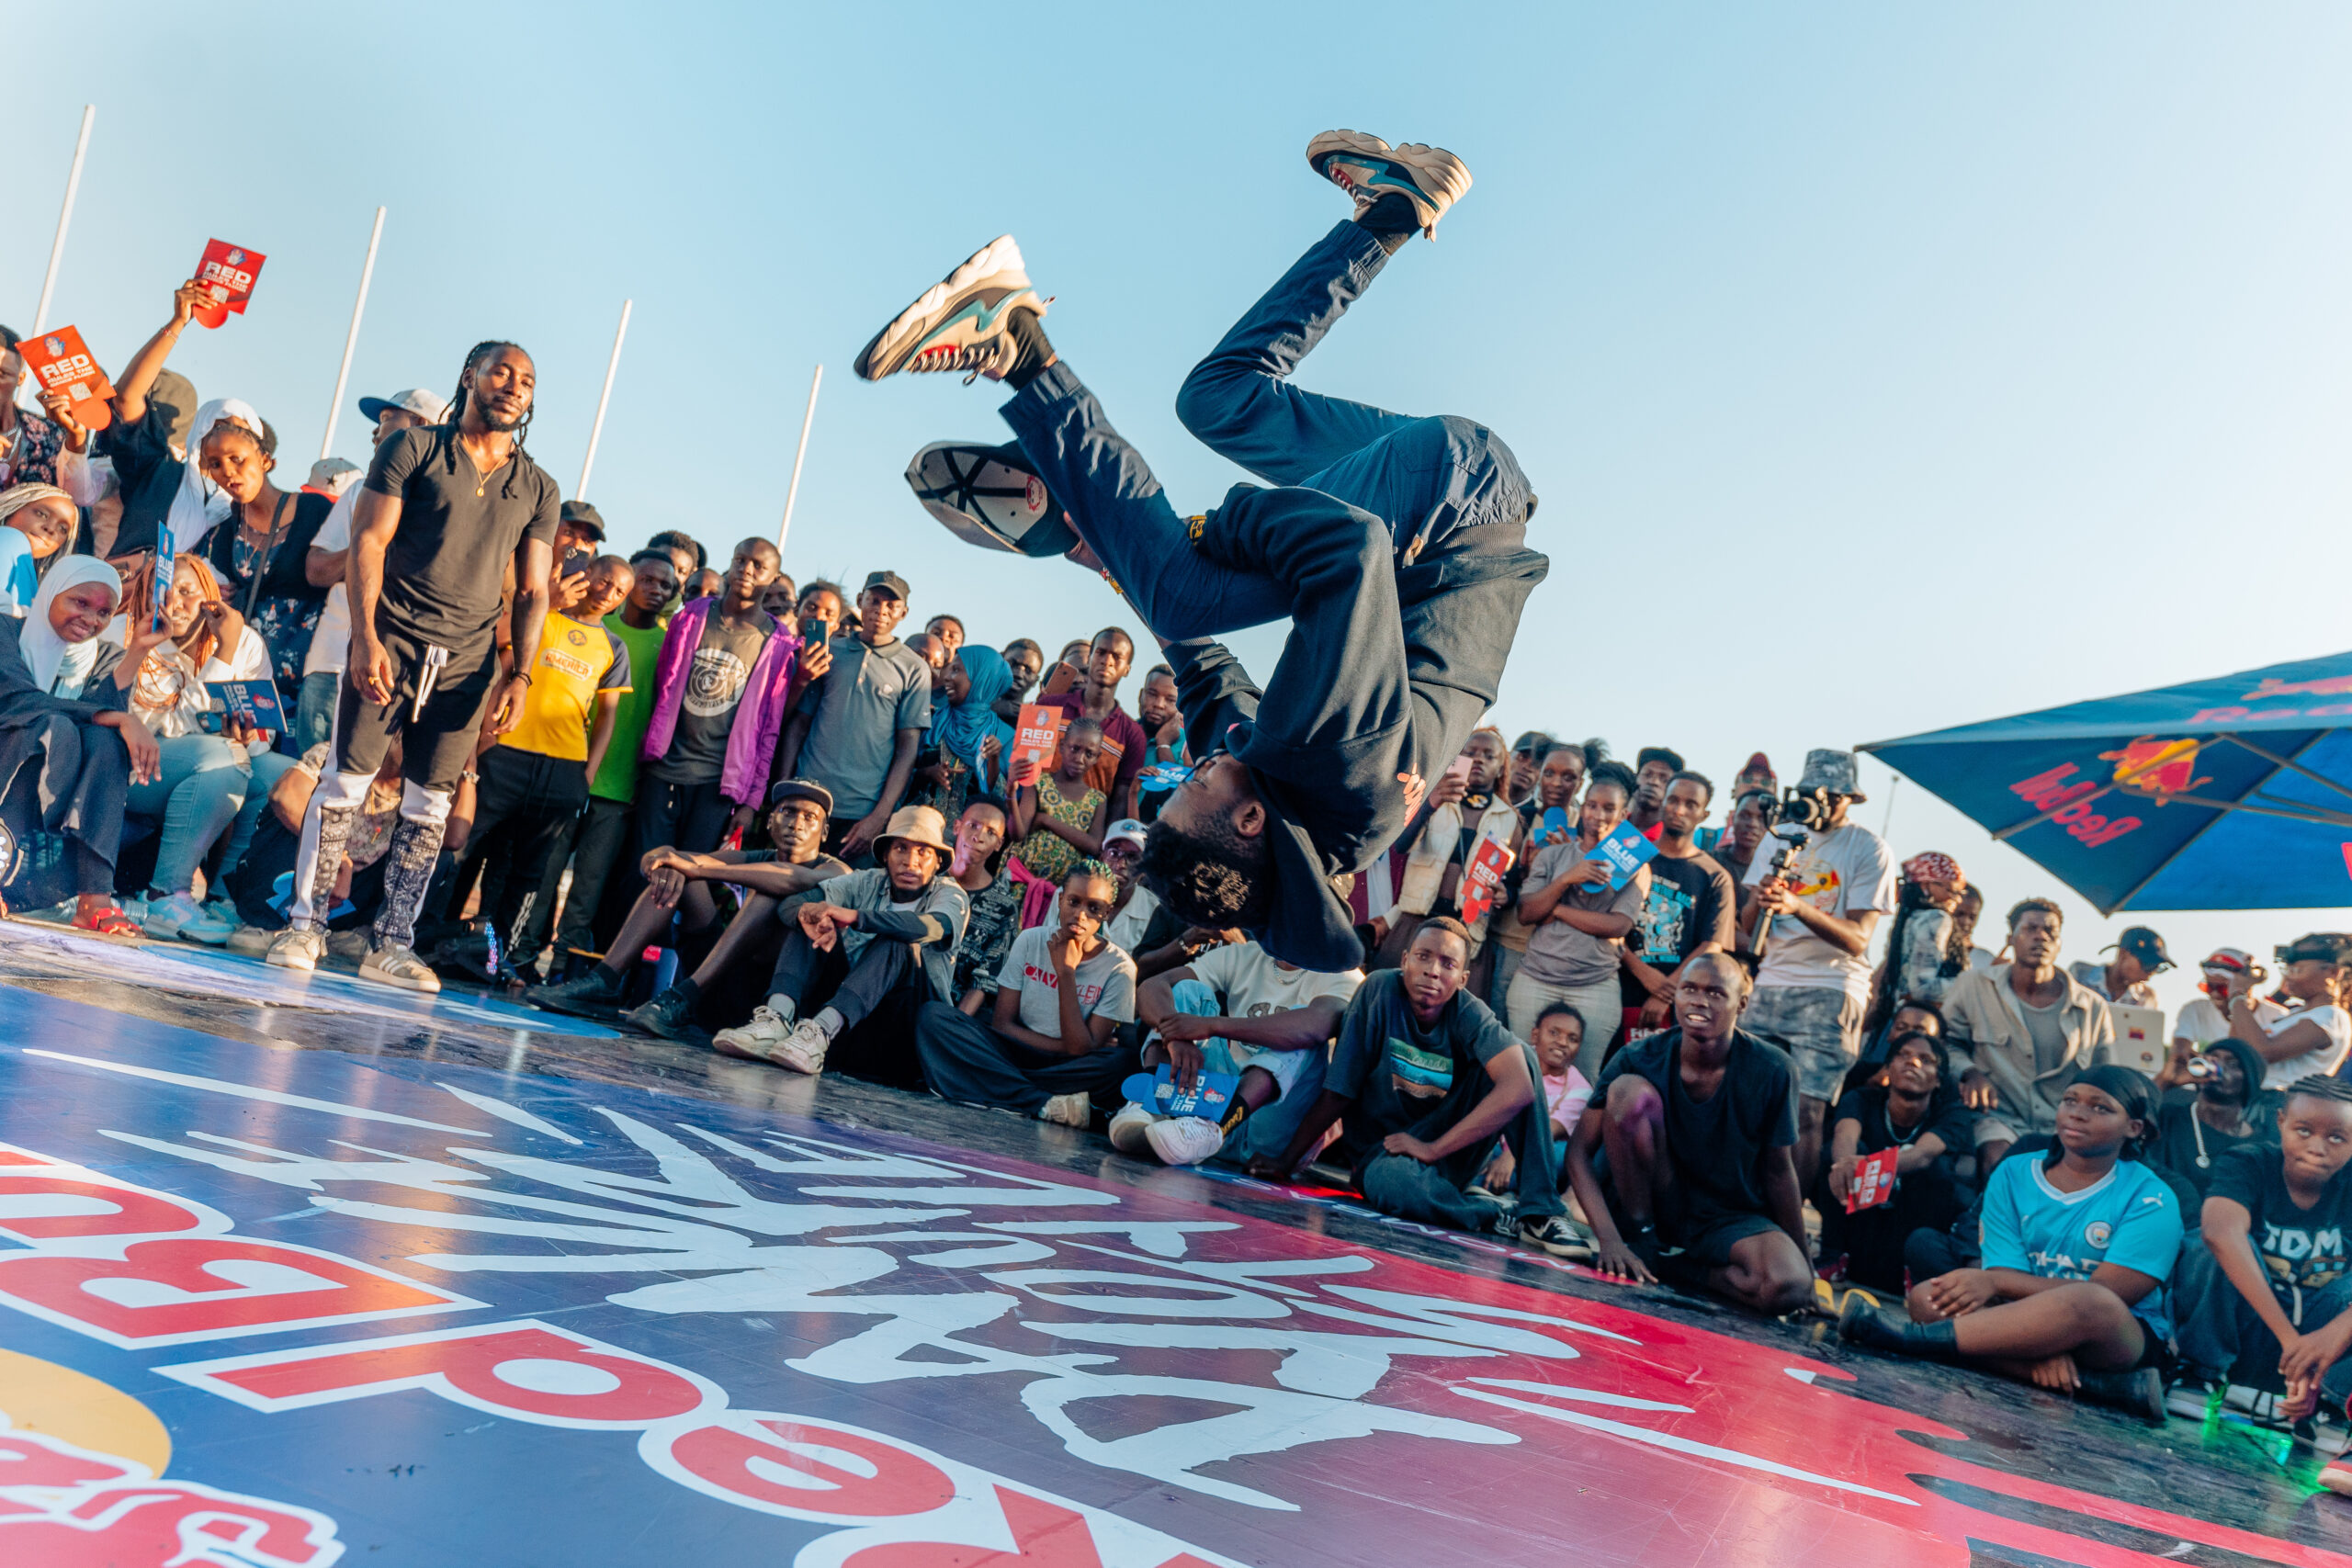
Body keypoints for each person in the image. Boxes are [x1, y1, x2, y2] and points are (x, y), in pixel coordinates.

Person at [855, 130, 1545, 975]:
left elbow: (1204, 668)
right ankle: (1015, 341)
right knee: (1183, 588)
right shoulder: (1340, 766)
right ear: (1250, 823)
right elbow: (1350, 545)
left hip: (1454, 488)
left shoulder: (1267, 790)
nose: (1201, 761)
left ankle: (1397, 208)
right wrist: (1192, 536)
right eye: (1197, 782)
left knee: (1217, 401)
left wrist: (1112, 560)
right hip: (1452, 503)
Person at [269, 341, 559, 992]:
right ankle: (304, 926)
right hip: (392, 640)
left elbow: (533, 590)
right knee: (344, 784)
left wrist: (520, 675)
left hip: (468, 664)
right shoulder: (414, 447)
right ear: (470, 376)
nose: (513, 386)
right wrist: (365, 636)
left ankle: (392, 944)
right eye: (501, 372)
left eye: (526, 380)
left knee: (430, 806)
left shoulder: (539, 487)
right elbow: (368, 542)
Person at [1838, 1066, 2184, 1424]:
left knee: (2090, 1300)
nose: (2078, 1113)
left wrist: (1994, 1282)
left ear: (2134, 1128)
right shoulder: (2014, 1173)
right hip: (2021, 1314)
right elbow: (2005, 1271)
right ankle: (2081, 1381)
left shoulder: (2152, 1197)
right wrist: (2036, 1340)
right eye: (2070, 1101)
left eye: (2100, 1108)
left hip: (2115, 1337)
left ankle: (1910, 1341)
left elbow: (2111, 1294)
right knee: (1928, 1297)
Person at [1252, 918, 1584, 1255]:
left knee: (1520, 1057)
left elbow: (1519, 1088)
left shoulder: (1468, 1011)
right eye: (1423, 957)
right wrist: (1286, 1160)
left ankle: (1541, 1211)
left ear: (1462, 979)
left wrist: (1433, 1150)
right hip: (1385, 1157)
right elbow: (1338, 1092)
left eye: (1448, 964)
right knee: (1395, 1185)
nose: (1432, 971)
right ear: (1405, 960)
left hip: (1445, 1152)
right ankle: (1493, 1213)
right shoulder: (1380, 991)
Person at [1566, 952, 1814, 1314]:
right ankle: (1643, 1241)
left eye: (1716, 993)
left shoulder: (1775, 1069)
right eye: (1690, 989)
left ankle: (1677, 1268)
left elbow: (1779, 1172)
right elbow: (1577, 1153)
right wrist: (1610, 1240)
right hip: (1654, 1202)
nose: (1700, 1000)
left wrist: (1807, 1270)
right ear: (1677, 996)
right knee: (1628, 1092)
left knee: (1788, 1285)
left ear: (1741, 1004)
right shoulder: (1638, 1056)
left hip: (1728, 1216)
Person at [421, 556, 634, 972]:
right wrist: (483, 738)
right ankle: (419, 938)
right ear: (586, 576)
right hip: (505, 756)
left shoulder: (614, 647)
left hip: (564, 770)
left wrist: (586, 775)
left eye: (619, 591)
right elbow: (496, 663)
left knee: (527, 873)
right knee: (457, 850)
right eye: (604, 581)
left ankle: (499, 960)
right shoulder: (539, 617)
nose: (608, 593)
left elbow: (606, 717)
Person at [533, 780, 846, 1032]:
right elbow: (664, 856)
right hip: (723, 993)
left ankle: (684, 996)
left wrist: (699, 868)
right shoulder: (757, 856)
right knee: (678, 876)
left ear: (825, 832)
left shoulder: (837, 871)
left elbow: (792, 879)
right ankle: (606, 979)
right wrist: (667, 864)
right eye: (788, 812)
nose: (796, 823)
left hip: (775, 1008)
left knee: (768, 894)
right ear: (770, 822)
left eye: (810, 817)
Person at [1736, 749, 1897, 1191]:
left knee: (1806, 1111)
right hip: (1772, 979)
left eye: (1830, 796)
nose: (1818, 804)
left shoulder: (1869, 847)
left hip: (1832, 986)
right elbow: (1748, 927)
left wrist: (1797, 906)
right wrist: (1763, 898)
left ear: (1848, 799)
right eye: (1811, 794)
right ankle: (1737, 1201)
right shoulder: (1780, 835)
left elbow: (1859, 937)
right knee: (1745, 1100)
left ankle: (1788, 1215)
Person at [711, 805, 969, 1080]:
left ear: (938, 862)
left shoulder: (950, 895)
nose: (910, 861)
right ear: (885, 855)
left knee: (899, 941)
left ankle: (821, 1032)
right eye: (900, 849)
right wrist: (809, 914)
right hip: (852, 1025)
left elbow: (931, 927)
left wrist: (855, 917)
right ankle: (777, 1019)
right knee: (814, 920)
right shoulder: (867, 881)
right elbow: (793, 904)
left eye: (923, 852)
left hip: (902, 1035)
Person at [105, 555, 272, 942]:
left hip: (206, 762)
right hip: (134, 771)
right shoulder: (129, 634)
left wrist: (247, 737)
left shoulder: (245, 640)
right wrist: (222, 656)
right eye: (160, 592)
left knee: (276, 776)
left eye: (186, 592)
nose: (173, 603)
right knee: (222, 759)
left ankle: (225, 897)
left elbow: (265, 737)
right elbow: (165, 728)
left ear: (211, 598)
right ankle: (166, 895)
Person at [2172, 1077, 2352, 1427]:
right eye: (2303, 1131)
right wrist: (2291, 1343)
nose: (2317, 1147)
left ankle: (2332, 1403)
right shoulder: (2249, 1162)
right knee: (2206, 1246)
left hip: (2323, 1343)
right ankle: (2200, 1373)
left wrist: (2336, 1333)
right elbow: (2219, 1232)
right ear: (2281, 1122)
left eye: (2337, 1138)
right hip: (2249, 1328)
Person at [914, 859, 1140, 1125]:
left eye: (1094, 908)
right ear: (1060, 899)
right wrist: (1066, 1048)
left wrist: (1066, 972)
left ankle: (995, 1085)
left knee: (1121, 1062)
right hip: (1014, 1051)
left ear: (1107, 913)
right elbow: (1002, 1024)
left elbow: (1080, 1050)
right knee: (933, 1017)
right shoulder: (1031, 940)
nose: (1081, 915)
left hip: (1067, 1068)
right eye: (1074, 902)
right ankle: (1045, 1103)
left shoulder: (1120, 967)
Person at [1114, 935, 1360, 1168]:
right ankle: (1148, 1105)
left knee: (1301, 1034)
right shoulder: (1245, 954)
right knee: (1186, 989)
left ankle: (1213, 1130)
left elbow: (1313, 1027)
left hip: (1276, 1133)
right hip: (1209, 1109)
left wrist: (1211, 1026)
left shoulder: (1343, 972)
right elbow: (1153, 985)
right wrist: (1175, 1037)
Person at [0, 558, 151, 931]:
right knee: (55, 727)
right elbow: (19, 701)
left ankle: (93, 898)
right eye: (80, 602)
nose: (91, 619)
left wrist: (137, 652)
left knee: (105, 739)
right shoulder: (5, 630)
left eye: (104, 612)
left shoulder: (106, 657)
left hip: (59, 773)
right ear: (52, 590)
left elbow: (106, 722)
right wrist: (113, 716)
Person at [298, 389, 451, 752]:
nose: (374, 432)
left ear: (418, 424)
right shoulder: (360, 490)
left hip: (406, 674)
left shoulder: (451, 501)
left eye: (385, 420)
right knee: (303, 777)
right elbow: (316, 570)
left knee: (374, 784)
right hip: (333, 662)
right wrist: (371, 542)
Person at [547, 548, 678, 973]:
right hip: (566, 770)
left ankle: (563, 969)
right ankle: (515, 959)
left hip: (620, 785)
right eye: (647, 580)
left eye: (666, 585)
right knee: (542, 875)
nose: (655, 589)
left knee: (586, 889)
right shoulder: (597, 627)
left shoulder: (668, 644)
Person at [635, 537, 797, 862]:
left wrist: (750, 803)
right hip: (663, 771)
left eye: (758, 566)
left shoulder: (779, 642)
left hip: (717, 785)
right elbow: (660, 690)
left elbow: (769, 729)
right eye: (740, 560)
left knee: (692, 875)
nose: (746, 570)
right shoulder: (692, 616)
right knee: (644, 870)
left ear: (773, 578)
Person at [777, 570, 933, 862]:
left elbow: (907, 749)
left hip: (861, 812)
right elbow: (799, 725)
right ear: (861, 600)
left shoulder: (914, 668)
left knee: (841, 888)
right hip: (807, 797)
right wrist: (784, 787)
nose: (881, 610)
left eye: (891, 605)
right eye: (874, 600)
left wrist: (880, 816)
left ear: (903, 613)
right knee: (786, 882)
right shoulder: (830, 651)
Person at [1507, 760, 1647, 1077]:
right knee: (1522, 1074)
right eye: (1592, 806)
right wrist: (1567, 878)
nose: (1598, 815)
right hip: (1536, 978)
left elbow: (1618, 926)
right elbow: (1527, 913)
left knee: (1583, 1080)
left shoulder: (1636, 866)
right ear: (1582, 809)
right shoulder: (1553, 855)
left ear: (1623, 816)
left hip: (1594, 985)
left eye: (1609, 808)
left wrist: (1556, 910)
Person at [1940, 898, 2116, 1149]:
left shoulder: (2092, 1007)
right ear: (2011, 939)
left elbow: (2106, 1076)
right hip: (1997, 1117)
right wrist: (1969, 1071)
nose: (2041, 937)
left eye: (2050, 932)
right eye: (2030, 929)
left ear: (2060, 943)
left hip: (2064, 1125)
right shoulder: (1974, 985)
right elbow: (1945, 1044)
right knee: (1998, 1156)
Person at [1819, 1025, 1977, 1293]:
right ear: (1888, 1068)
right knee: (1831, 1156)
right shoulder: (1861, 1098)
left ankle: (1913, 1273)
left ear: (1938, 1080)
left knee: (1937, 1170)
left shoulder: (1952, 1113)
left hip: (1911, 1231)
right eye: (1903, 1055)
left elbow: (1922, 1155)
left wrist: (1869, 1166)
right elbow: (1845, 1134)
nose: (1912, 1062)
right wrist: (1844, 1165)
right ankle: (1834, 1256)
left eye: (1925, 1060)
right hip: (1860, 1223)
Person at [182, 414, 333, 690]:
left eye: (236, 459)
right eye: (215, 464)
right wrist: (219, 591)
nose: (227, 471)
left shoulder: (313, 510)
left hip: (307, 666)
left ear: (265, 461)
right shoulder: (227, 526)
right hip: (251, 669)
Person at [1377, 727, 1514, 987]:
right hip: (1414, 924)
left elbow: (1513, 882)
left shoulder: (1510, 819)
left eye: (1489, 756)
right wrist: (1430, 804)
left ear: (1501, 769)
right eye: (1470, 753)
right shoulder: (1431, 795)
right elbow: (1401, 846)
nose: (1479, 759)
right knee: (1391, 995)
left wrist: (1507, 895)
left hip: (1466, 933)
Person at [1618, 771, 1736, 1032]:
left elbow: (1711, 945)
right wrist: (1644, 974)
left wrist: (1665, 993)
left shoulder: (1715, 877)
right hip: (1617, 990)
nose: (1679, 810)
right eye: (1673, 800)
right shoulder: (1632, 856)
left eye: (1691, 804)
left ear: (1704, 814)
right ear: (1663, 802)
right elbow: (1605, 923)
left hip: (1678, 1005)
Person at [1487, 741, 1588, 1011]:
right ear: (1539, 775)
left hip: (1554, 952)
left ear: (1580, 784)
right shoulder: (1519, 818)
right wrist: (1523, 872)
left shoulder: (1585, 828)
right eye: (1549, 773)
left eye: (1568, 777)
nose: (1556, 783)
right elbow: (1501, 877)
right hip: (1506, 939)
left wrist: (1567, 861)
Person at [1033, 626, 1149, 818]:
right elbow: (1027, 767)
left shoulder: (1133, 734)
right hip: (1032, 821)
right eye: (1101, 652)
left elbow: (1120, 799)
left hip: (1087, 831)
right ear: (1090, 658)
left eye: (1117, 656)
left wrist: (1106, 837)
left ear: (1127, 669)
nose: (1107, 661)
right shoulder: (1048, 706)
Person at [1861, 852, 1972, 1047]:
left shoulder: (1907, 919)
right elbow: (1921, 988)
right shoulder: (1936, 919)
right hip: (1922, 1023)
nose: (1957, 899)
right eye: (1952, 890)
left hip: (1895, 1019)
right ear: (1926, 886)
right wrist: (1969, 982)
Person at [2147, 1037, 2271, 1201]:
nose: (2218, 1066)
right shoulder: (2166, 1117)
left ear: (2250, 1080)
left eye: (2232, 1063)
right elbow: (2126, 1117)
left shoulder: (2259, 1146)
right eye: (2211, 1059)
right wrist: (2164, 1081)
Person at [2231, 932, 2352, 1091]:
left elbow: (2264, 1052)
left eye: (2296, 970)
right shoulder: (2294, 1014)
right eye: (2287, 970)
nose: (2288, 978)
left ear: (2333, 973)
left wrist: (2237, 996)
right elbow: (2234, 1047)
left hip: (2282, 1101)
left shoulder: (2331, 1016)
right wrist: (2242, 996)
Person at [1004, 716, 1108, 886]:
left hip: (1059, 890)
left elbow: (1094, 845)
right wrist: (1011, 793)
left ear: (1097, 757)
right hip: (1020, 879)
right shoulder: (1038, 782)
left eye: (1089, 754)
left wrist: (1046, 820)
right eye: (1074, 749)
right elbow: (1018, 834)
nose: (1080, 758)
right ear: (1062, 746)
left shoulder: (1097, 800)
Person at [915, 644, 1013, 823]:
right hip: (917, 828)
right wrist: (927, 773)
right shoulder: (931, 719)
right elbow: (900, 771)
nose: (946, 677)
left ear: (982, 678)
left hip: (969, 838)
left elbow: (1003, 803)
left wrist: (994, 760)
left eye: (956, 670)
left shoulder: (1006, 738)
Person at [2171, 947, 2281, 1059]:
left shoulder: (2276, 1015)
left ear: (2248, 985)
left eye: (2222, 989)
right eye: (2209, 987)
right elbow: (2179, 1051)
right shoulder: (2195, 1010)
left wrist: (2237, 999)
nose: (2214, 994)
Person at [0, 484, 79, 615]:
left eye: (63, 529)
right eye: (41, 514)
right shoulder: (11, 538)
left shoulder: (34, 585)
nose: (50, 528)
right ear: (14, 508)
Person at [2072, 927, 2170, 1010]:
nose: (2150, 973)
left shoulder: (2147, 998)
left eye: (2157, 968)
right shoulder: (2078, 975)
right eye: (2147, 964)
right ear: (2123, 954)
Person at [1626, 746, 1683, 840]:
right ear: (1636, 778)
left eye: (1664, 779)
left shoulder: (1669, 841)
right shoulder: (1610, 825)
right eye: (1647, 774)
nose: (1653, 782)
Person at [1503, 730, 1555, 812]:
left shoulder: (1540, 816)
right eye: (1523, 757)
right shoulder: (1482, 799)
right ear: (1508, 757)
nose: (1527, 767)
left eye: (1537, 764)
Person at [999, 637, 1046, 718]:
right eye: (1012, 664)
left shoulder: (1035, 720)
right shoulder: (974, 700)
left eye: (1028, 670)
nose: (1018, 674)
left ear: (1035, 681)